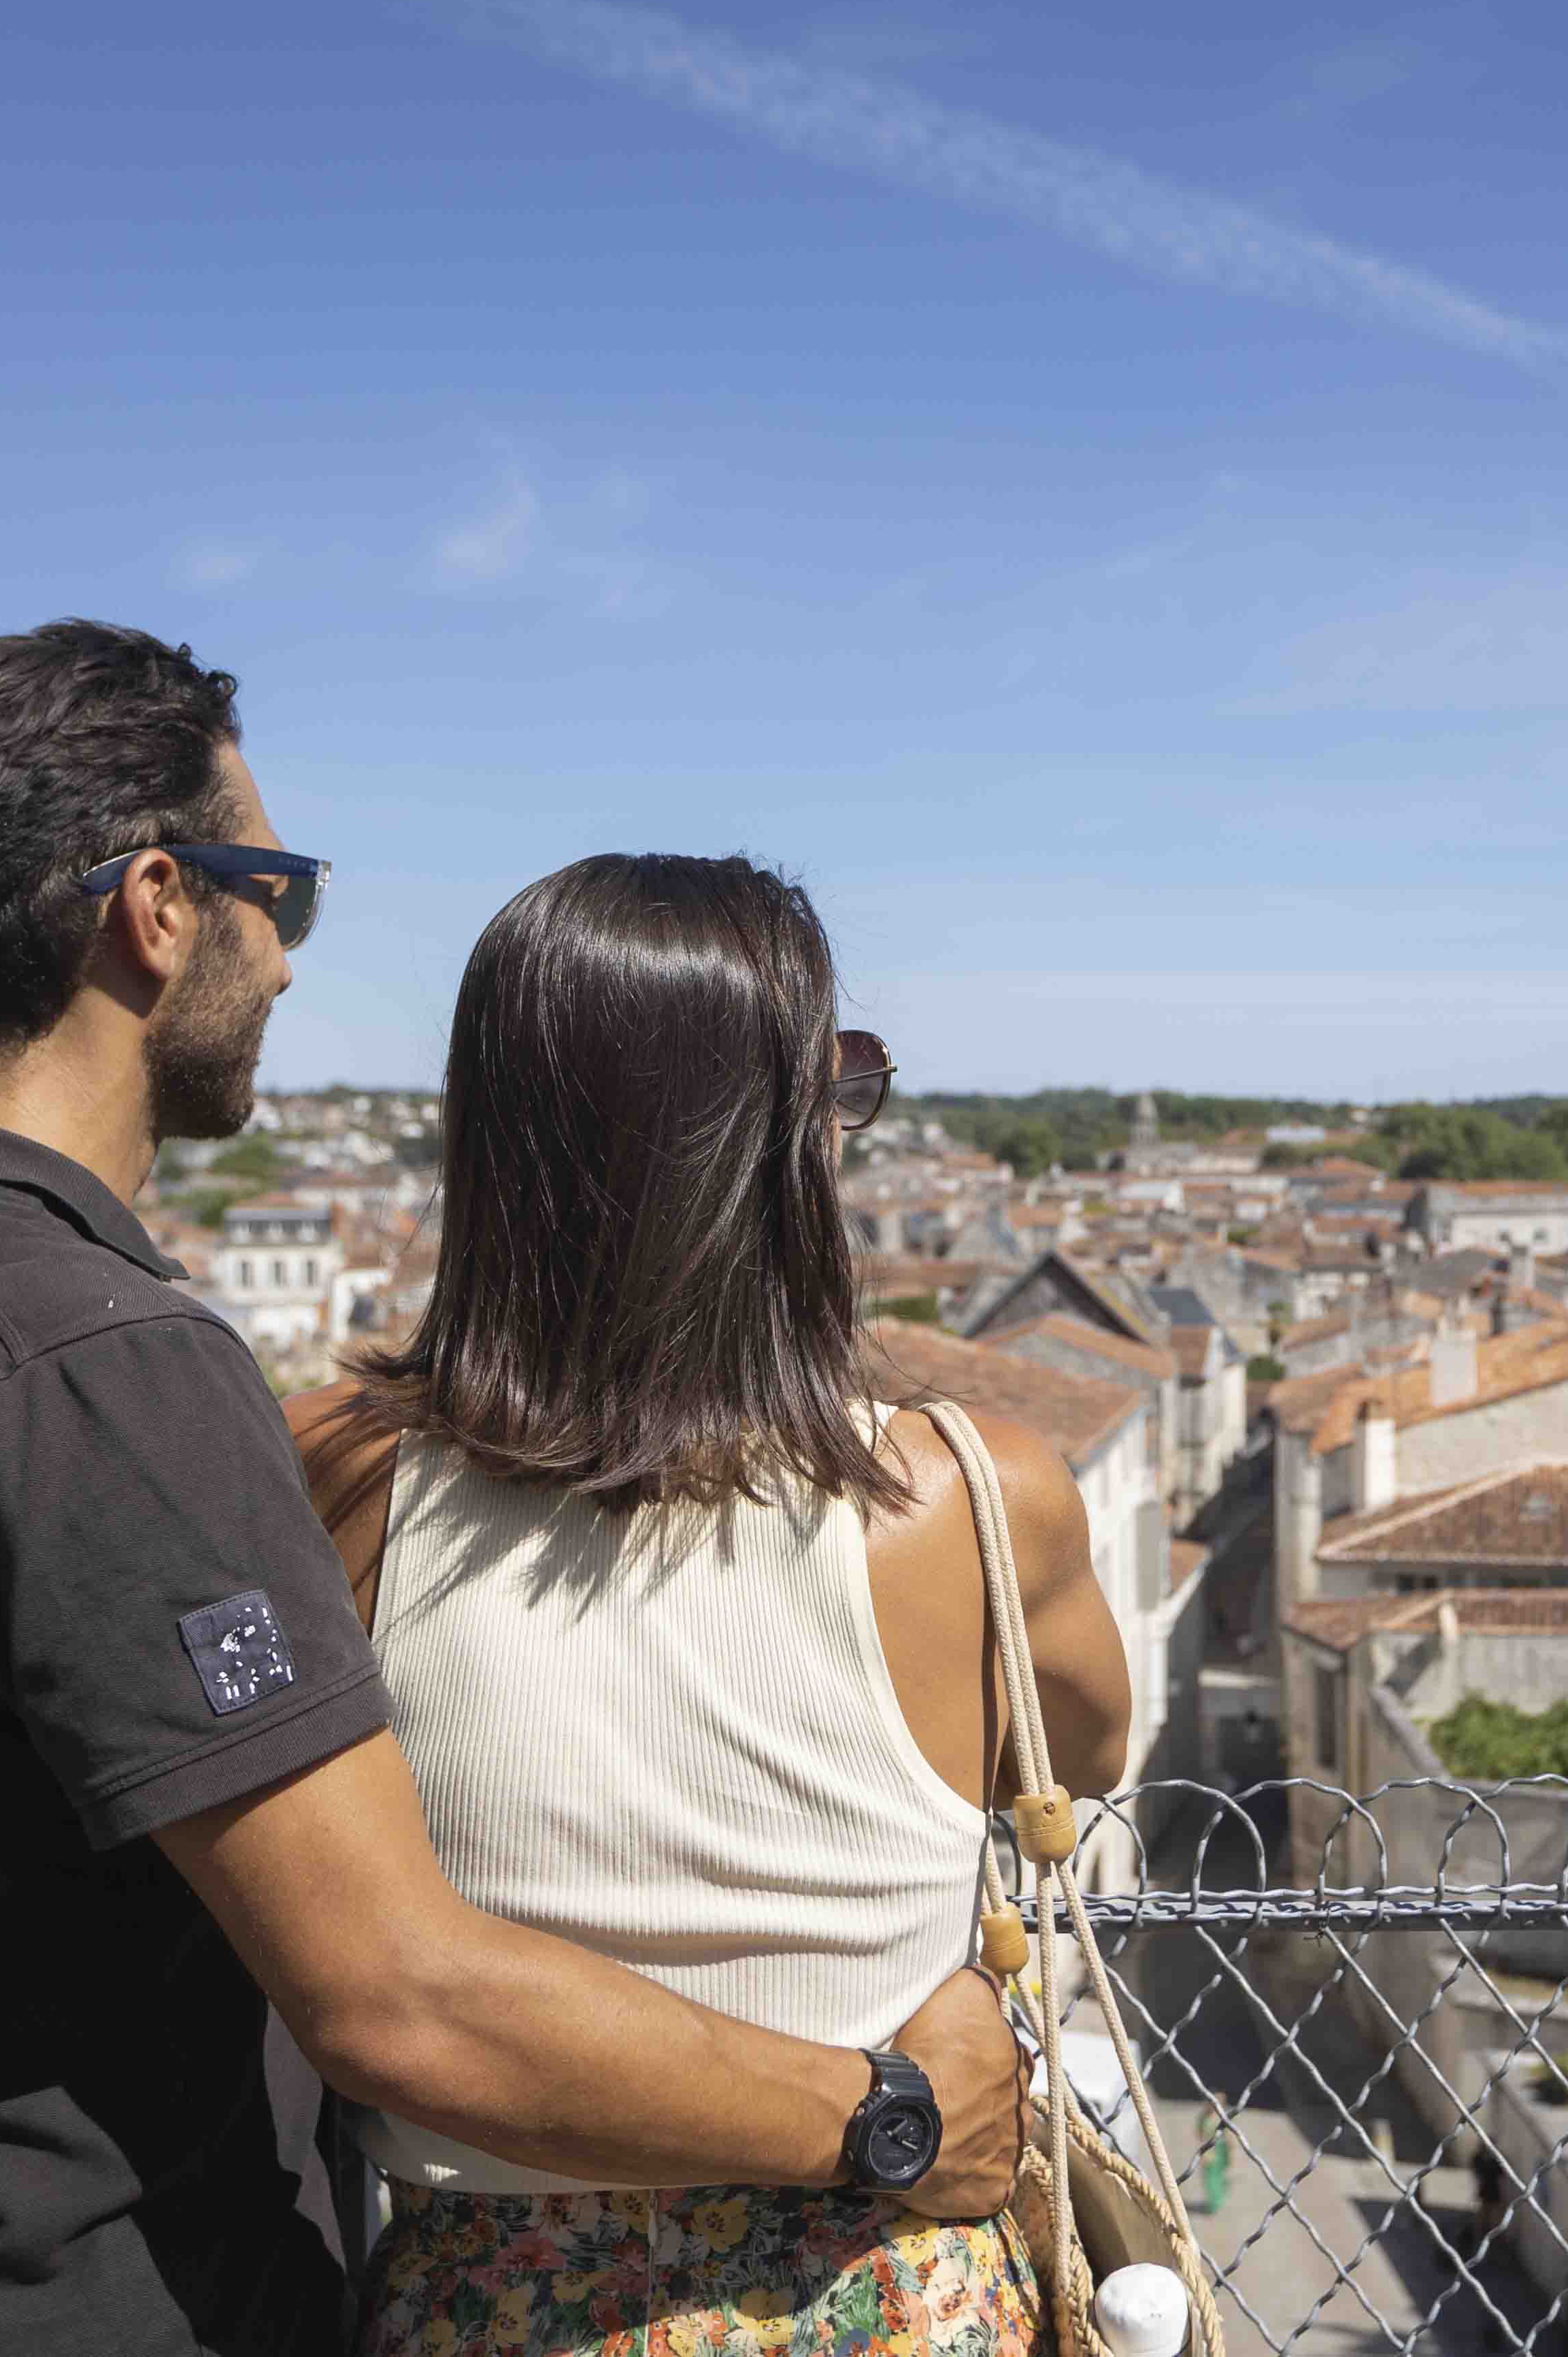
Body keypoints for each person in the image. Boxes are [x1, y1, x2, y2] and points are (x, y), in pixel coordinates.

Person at [0, 624, 1020, 2355]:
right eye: (282, 894)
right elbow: (395, 1999)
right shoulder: (102, 1364)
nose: (287, 963)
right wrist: (881, 2114)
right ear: (158, 905)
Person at [284, 854, 1132, 2357]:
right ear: (780, 1147)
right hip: (894, 2269)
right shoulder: (975, 1497)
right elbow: (1083, 1755)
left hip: (492, 2297)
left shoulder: (336, 1476)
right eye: (835, 1084)